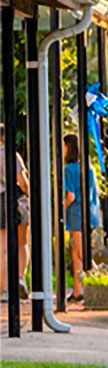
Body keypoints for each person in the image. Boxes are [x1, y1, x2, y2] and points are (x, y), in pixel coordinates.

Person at [63, 134, 102, 301]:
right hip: (90, 214)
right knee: (75, 252)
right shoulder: (89, 167)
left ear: (69, 148)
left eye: (63, 146)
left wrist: (59, 207)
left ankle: (105, 283)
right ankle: (78, 291)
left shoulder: (70, 169)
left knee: (81, 254)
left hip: (77, 215)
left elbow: (71, 196)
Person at [0, 124, 31, 301]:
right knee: (21, 242)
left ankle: (3, 288)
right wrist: (28, 192)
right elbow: (23, 181)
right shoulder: (13, 155)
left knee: (2, 247)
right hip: (15, 199)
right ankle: (19, 278)